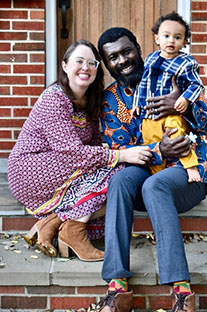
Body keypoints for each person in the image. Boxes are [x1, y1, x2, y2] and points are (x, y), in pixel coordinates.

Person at [85, 27, 207, 312]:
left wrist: (182, 103)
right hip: (147, 173)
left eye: (127, 51)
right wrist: (158, 150)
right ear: (106, 63)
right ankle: (118, 292)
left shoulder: (173, 78)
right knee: (120, 181)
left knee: (155, 187)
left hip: (187, 175)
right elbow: (122, 153)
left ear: (140, 48)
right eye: (113, 57)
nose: (123, 61)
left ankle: (182, 294)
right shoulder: (109, 101)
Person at [7, 39, 151, 262]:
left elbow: (92, 147)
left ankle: (54, 223)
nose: (86, 67)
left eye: (92, 63)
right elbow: (71, 152)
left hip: (61, 168)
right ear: (65, 65)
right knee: (118, 171)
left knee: (119, 181)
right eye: (79, 61)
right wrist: (121, 154)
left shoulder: (90, 100)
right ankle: (72, 231)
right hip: (30, 169)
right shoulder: (54, 98)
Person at [132, 12, 204, 182]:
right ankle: (157, 177)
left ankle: (190, 166)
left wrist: (185, 98)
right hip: (149, 115)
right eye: (166, 36)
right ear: (157, 39)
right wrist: (136, 103)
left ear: (185, 42)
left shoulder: (187, 62)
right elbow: (142, 84)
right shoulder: (150, 59)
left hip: (172, 113)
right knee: (153, 143)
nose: (171, 41)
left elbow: (196, 85)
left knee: (177, 135)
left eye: (177, 37)